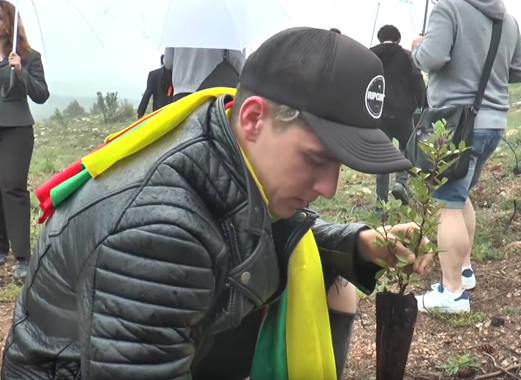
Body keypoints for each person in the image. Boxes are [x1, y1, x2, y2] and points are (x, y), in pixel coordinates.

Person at [1, 27, 431, 380]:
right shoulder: (158, 234)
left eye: (339, 164)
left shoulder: (217, 135)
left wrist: (357, 244)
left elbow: (233, 220)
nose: (329, 187)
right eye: (316, 159)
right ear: (253, 118)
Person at [411, 0, 521, 313]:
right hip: (493, 124)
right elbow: (518, 71)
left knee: (447, 200)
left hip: (456, 123)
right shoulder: (507, 19)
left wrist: (417, 47)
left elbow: (431, 58)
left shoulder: (448, 8)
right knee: (460, 197)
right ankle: (464, 270)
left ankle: (452, 294)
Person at [0, 0, 49, 282]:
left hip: (16, 129)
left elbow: (41, 94)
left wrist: (20, 71)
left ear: (9, 21)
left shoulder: (28, 56)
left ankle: (21, 258)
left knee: (11, 186)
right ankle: (0, 250)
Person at [370, 24, 425, 206]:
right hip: (403, 114)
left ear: (380, 38)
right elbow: (417, 81)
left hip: (379, 116)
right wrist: (423, 103)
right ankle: (401, 182)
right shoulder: (406, 56)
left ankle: (381, 203)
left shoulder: (370, 56)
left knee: (381, 159)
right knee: (408, 150)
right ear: (398, 39)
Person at [164, 47, 245, 102]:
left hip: (181, 91)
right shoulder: (230, 22)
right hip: (215, 91)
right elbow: (237, 61)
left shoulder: (174, 23)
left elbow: (168, 62)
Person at [136, 54, 172, 119]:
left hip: (158, 111)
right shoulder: (176, 74)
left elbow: (147, 94)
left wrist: (140, 112)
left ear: (162, 62)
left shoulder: (153, 74)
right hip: (175, 110)